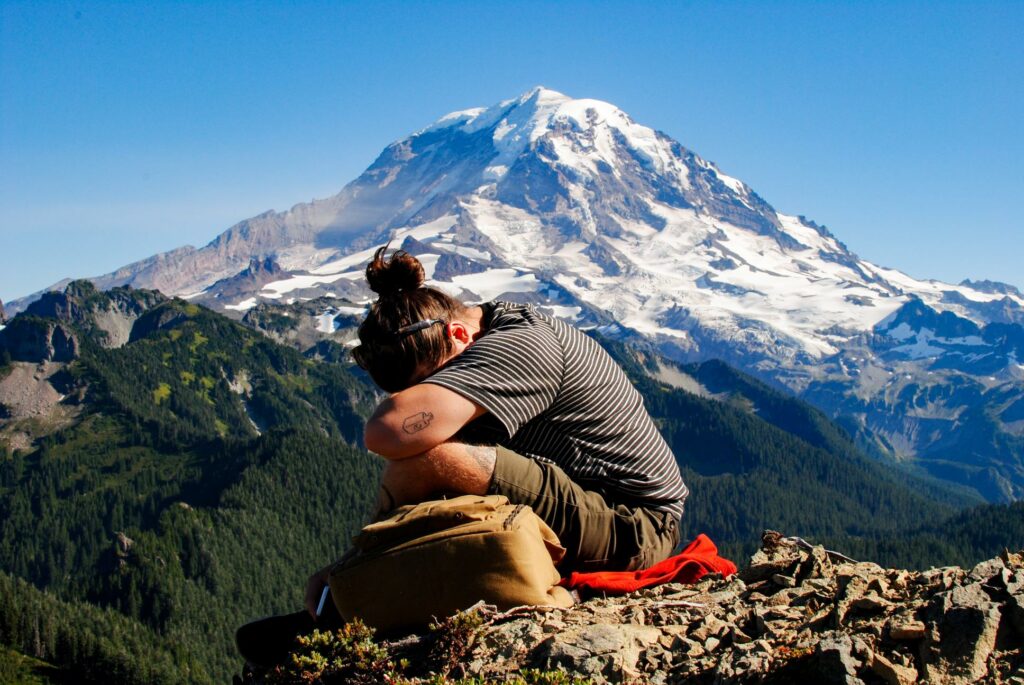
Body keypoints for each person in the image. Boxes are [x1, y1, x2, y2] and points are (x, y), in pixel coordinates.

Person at [237, 245, 688, 667]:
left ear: (457, 333)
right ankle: (354, 594)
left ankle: (346, 607)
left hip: (634, 525)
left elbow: (386, 432)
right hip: (585, 503)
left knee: (427, 459)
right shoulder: (483, 333)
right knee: (440, 462)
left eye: (435, 382)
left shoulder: (522, 345)